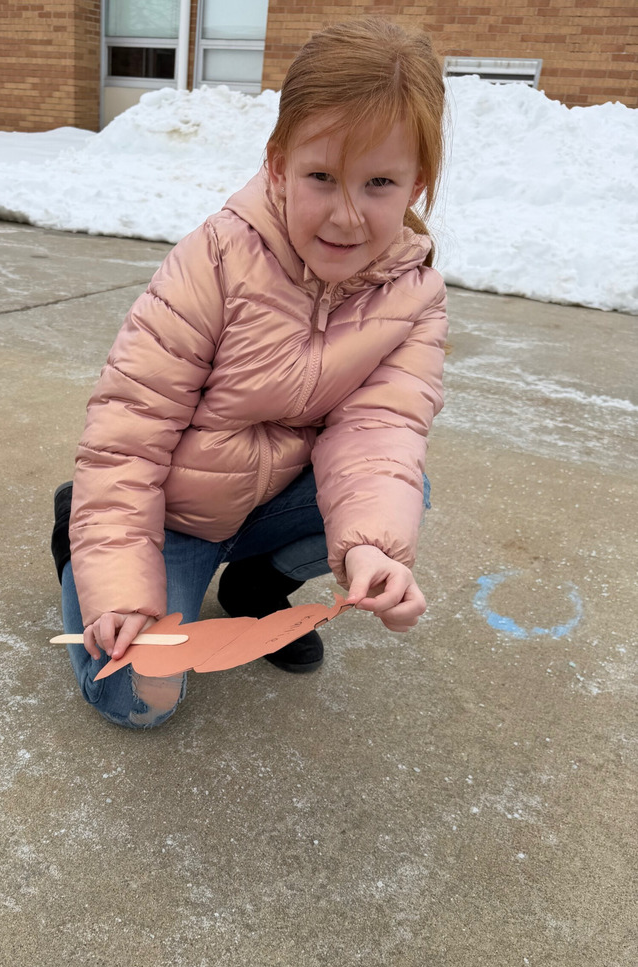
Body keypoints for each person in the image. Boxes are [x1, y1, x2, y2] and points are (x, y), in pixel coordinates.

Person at [51, 17, 448, 729]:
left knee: (405, 488)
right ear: (277, 162)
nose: (347, 215)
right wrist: (119, 592)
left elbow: (379, 430)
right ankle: (77, 535)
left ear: (417, 183)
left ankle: (257, 584)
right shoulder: (216, 261)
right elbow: (128, 434)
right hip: (172, 512)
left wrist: (368, 547)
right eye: (321, 177)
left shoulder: (415, 295)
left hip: (266, 505)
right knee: (141, 699)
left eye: (379, 183)